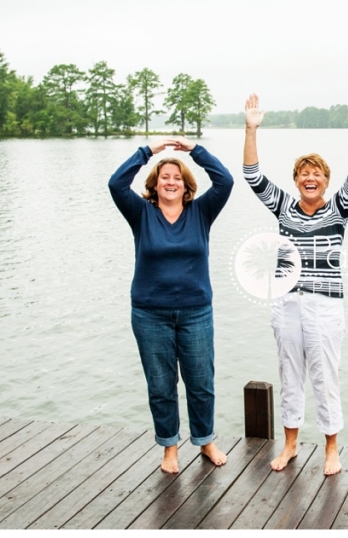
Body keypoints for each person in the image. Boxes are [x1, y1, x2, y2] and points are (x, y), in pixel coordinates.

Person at [242, 88, 348, 476]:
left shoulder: (339, 209)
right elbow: (251, 175)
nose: (310, 177)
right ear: (296, 181)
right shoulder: (283, 207)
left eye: (317, 174)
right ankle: (291, 444)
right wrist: (251, 129)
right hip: (287, 304)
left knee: (324, 378)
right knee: (290, 376)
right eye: (304, 173)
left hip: (325, 305)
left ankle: (331, 448)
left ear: (326, 182)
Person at [108, 136, 234, 474]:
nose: (171, 182)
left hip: (196, 312)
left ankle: (205, 440)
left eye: (177, 177)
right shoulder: (141, 213)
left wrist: (194, 150)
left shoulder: (202, 212)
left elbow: (225, 181)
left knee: (201, 383)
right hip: (150, 314)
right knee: (161, 386)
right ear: (154, 183)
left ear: (186, 185)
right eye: (164, 177)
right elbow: (116, 184)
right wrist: (148, 151)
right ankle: (170, 448)